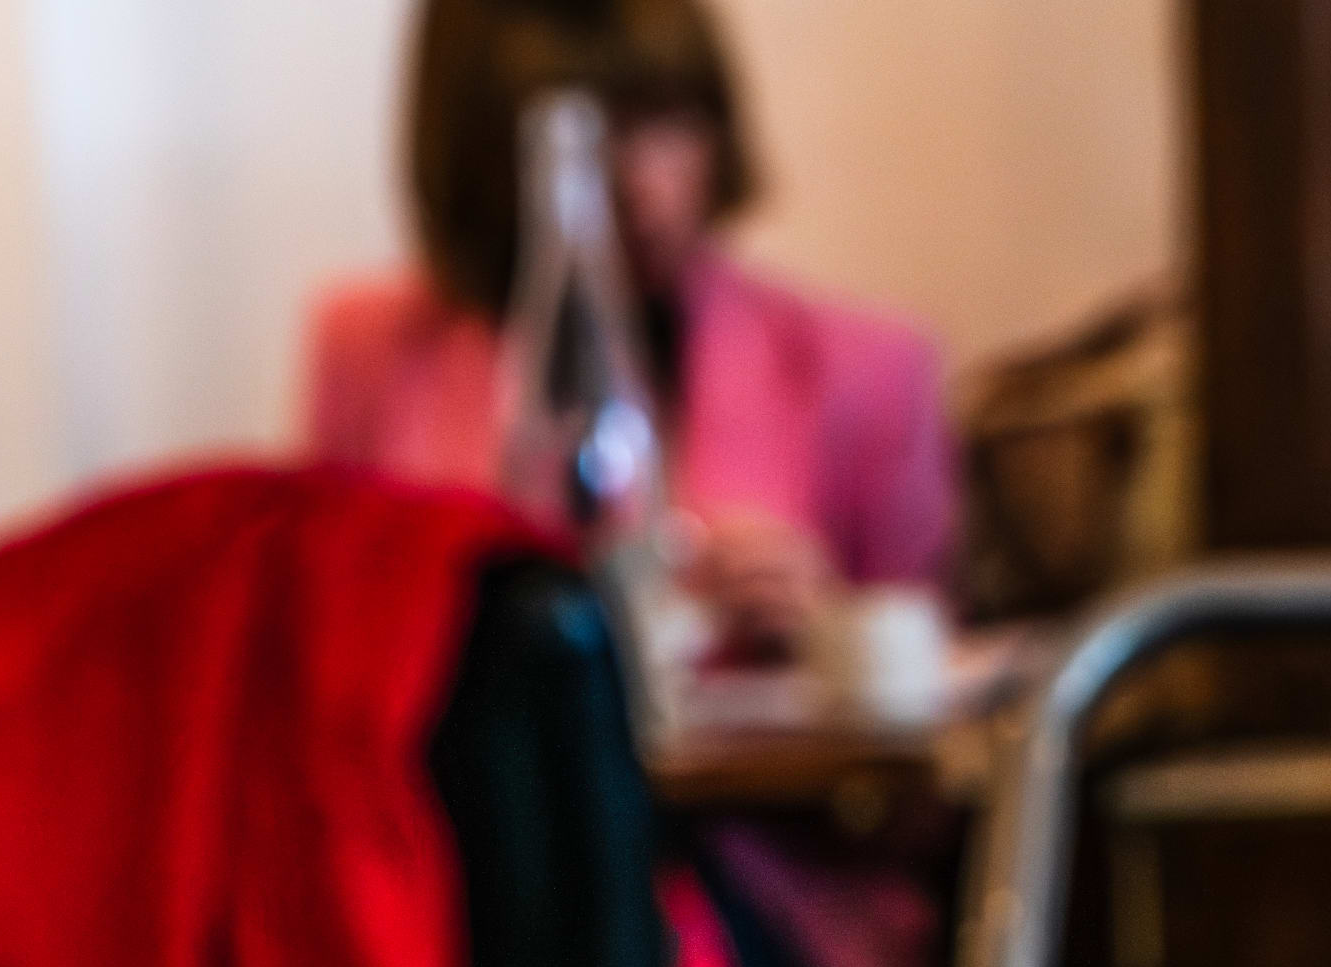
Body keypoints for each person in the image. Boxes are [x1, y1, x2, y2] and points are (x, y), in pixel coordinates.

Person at [303, 0, 956, 658]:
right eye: (585, 139)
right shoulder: (371, 350)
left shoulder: (870, 369)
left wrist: (834, 628)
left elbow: (948, 681)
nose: (639, 182)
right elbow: (324, 645)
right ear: (482, 146)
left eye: (668, 119)